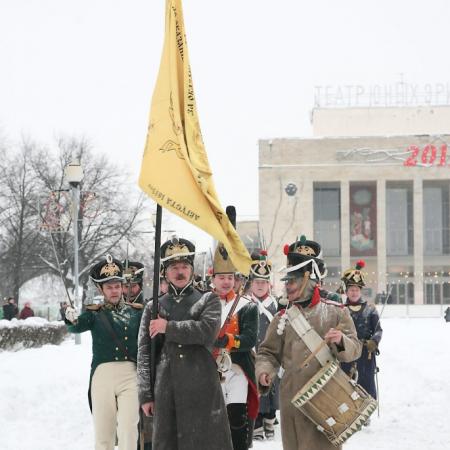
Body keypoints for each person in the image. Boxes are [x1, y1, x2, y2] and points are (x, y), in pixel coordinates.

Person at [255, 235, 362, 450]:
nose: (288, 286)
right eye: (287, 281)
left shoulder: (336, 312)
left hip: (325, 402)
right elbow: (267, 352)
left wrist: (341, 341)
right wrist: (264, 371)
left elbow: (355, 349)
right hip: (292, 402)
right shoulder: (282, 317)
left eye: (292, 280)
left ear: (308, 279)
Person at [137, 236, 233, 450]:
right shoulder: (153, 306)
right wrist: (145, 395)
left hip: (202, 386)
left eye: (184, 266)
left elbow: (207, 332)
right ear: (165, 272)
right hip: (167, 388)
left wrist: (168, 328)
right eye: (174, 267)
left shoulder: (209, 300)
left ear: (191, 269)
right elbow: (144, 354)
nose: (179, 272)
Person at [64, 254, 143, 450]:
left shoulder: (137, 312)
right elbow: (76, 327)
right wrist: (70, 318)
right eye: (109, 287)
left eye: (117, 286)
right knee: (103, 433)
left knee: (128, 429)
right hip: (102, 376)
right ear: (101, 289)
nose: (114, 291)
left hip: (130, 376)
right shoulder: (94, 314)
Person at [212, 241, 259, 450]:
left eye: (230, 277)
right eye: (222, 277)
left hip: (237, 368)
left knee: (237, 418)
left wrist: (230, 340)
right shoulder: (204, 303)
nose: (226, 282)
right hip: (211, 369)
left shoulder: (247, 306)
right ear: (213, 278)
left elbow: (250, 339)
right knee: (215, 419)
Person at [340, 260, 383, 402]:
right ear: (346, 291)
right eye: (351, 289)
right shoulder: (340, 309)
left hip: (366, 354)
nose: (354, 292)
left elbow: (378, 330)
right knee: (346, 384)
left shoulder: (370, 309)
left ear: (361, 291)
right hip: (346, 354)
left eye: (357, 290)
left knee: (365, 382)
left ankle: (366, 409)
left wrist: (374, 342)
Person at [248, 250, 279, 441]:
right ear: (251, 283)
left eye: (263, 282)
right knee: (254, 390)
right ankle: (257, 424)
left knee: (271, 389)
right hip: (252, 353)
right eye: (257, 282)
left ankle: (270, 419)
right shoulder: (245, 303)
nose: (260, 286)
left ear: (269, 284)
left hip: (271, 354)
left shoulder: (275, 305)